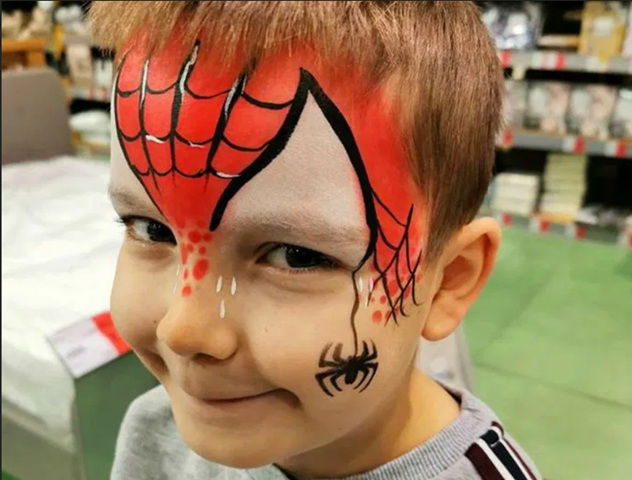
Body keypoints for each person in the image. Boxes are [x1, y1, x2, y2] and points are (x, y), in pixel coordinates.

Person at [91, 1, 541, 479]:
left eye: (295, 256)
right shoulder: (155, 430)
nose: (182, 331)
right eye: (151, 229)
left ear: (448, 280)